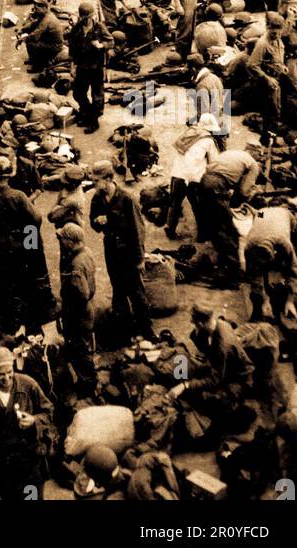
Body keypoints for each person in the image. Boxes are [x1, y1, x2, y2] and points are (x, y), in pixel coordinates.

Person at [0, 155, 55, 334]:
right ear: (9, 176)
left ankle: (10, 323)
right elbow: (36, 219)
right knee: (26, 282)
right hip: (21, 249)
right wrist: (31, 245)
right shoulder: (19, 196)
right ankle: (32, 321)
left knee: (5, 283)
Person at [0, 345, 55, 501]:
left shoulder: (28, 385)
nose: (7, 379)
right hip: (1, 463)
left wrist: (34, 420)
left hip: (29, 461)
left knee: (32, 497)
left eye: (10, 372)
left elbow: (49, 412)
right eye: (1, 375)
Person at [89, 160, 154, 339]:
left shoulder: (127, 198)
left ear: (108, 179)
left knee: (137, 293)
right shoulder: (97, 198)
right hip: (111, 251)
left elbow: (138, 230)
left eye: (96, 180)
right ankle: (125, 330)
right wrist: (97, 222)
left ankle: (147, 330)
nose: (93, 184)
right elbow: (93, 223)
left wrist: (140, 258)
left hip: (129, 252)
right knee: (118, 291)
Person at [196, 148, 260, 287]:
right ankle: (232, 276)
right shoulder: (253, 165)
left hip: (204, 181)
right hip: (216, 187)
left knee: (214, 226)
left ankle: (220, 264)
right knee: (229, 231)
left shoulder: (233, 154)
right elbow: (243, 192)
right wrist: (254, 191)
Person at [166, 114, 223, 241]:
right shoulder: (208, 141)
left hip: (178, 175)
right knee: (199, 207)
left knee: (174, 204)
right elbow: (214, 162)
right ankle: (202, 236)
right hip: (194, 179)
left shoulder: (187, 134)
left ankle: (170, 229)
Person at [56, 223, 97, 393]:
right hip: (86, 310)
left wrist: (66, 307)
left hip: (78, 313)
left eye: (63, 238)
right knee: (82, 346)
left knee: (80, 349)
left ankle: (88, 383)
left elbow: (82, 293)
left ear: (71, 241)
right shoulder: (87, 253)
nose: (61, 241)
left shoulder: (76, 265)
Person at [67, 2, 113, 132]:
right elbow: (72, 49)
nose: (86, 20)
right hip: (82, 66)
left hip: (96, 67)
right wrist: (72, 66)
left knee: (97, 95)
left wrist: (101, 45)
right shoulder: (76, 29)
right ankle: (87, 113)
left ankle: (94, 121)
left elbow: (111, 41)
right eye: (84, 17)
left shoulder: (99, 28)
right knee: (78, 93)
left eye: (88, 17)